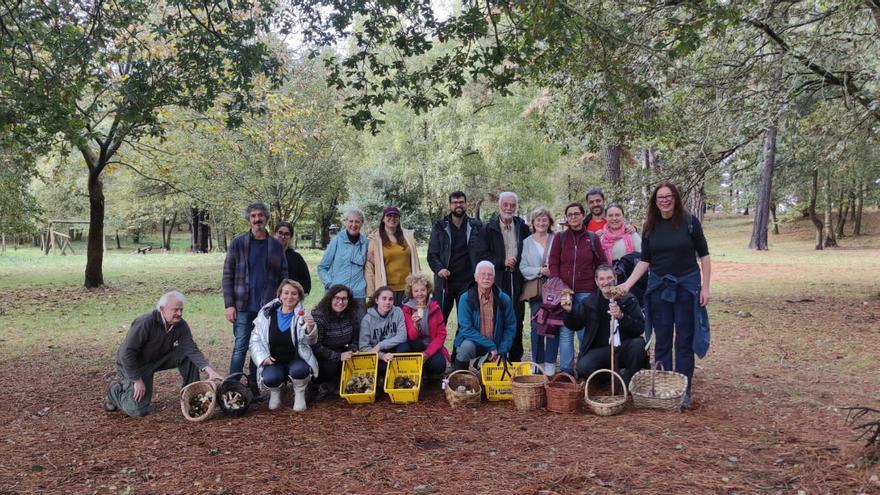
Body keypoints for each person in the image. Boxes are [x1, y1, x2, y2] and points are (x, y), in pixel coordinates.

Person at [619, 182, 711, 408]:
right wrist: (627, 284)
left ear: (676, 198)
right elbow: (645, 261)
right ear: (655, 201)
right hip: (659, 290)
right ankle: (662, 387)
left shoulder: (690, 223)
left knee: (684, 341)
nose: (665, 200)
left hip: (687, 289)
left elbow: (705, 256)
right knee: (661, 341)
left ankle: (683, 389)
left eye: (669, 196)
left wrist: (706, 287)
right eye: (660, 197)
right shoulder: (650, 227)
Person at [104, 291, 224, 417]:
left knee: (187, 355)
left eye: (181, 309)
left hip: (157, 359)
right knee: (137, 410)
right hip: (134, 365)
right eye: (175, 310)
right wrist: (137, 380)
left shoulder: (180, 325)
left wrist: (209, 370)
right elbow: (126, 353)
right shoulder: (145, 322)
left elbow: (191, 349)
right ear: (162, 309)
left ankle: (192, 394)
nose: (179, 314)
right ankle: (114, 391)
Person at [223, 202, 289, 398]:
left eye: (261, 215)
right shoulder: (238, 243)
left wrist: (281, 301)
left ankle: (252, 384)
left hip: (266, 308)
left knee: (258, 346)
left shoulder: (275, 245)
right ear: (249, 219)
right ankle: (231, 387)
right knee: (240, 347)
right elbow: (228, 274)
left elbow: (284, 274)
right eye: (253, 216)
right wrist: (229, 304)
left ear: (267, 219)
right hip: (243, 305)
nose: (257, 219)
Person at [547, 201, 608, 376]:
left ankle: (585, 368)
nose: (573, 217)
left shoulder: (592, 237)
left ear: (582, 215)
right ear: (566, 218)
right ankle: (566, 371)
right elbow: (553, 263)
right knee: (566, 332)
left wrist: (600, 285)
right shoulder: (560, 238)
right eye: (570, 214)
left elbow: (601, 263)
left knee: (584, 332)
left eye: (576, 214)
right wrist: (559, 286)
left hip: (586, 291)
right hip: (565, 291)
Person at [560, 265, 646, 386]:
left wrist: (621, 316)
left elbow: (639, 328)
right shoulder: (590, 302)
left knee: (638, 344)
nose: (606, 282)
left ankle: (626, 382)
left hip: (624, 347)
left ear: (615, 278)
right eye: (602, 279)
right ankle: (612, 378)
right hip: (600, 350)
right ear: (596, 281)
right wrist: (569, 312)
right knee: (583, 367)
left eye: (609, 278)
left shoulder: (628, 299)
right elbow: (576, 325)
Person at [476, 192, 530, 362]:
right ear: (499, 206)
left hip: (518, 279)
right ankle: (495, 359)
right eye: (505, 204)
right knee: (496, 319)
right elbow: (481, 255)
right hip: (497, 278)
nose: (509, 208)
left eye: (512, 205)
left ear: (516, 207)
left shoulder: (522, 227)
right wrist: (502, 262)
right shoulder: (487, 228)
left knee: (517, 318)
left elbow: (529, 251)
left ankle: (514, 360)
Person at [250, 280, 318, 412]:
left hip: (296, 358)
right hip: (274, 360)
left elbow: (312, 341)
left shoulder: (303, 315)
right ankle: (276, 392)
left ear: (299, 297)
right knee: (271, 378)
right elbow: (255, 340)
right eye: (286, 293)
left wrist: (310, 329)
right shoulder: (265, 314)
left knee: (300, 371)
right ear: (280, 295)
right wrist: (263, 357)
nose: (289, 297)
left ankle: (299, 393)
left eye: (294, 294)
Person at [427, 191, 483, 323]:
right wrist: (440, 269)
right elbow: (432, 254)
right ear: (449, 205)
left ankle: (460, 344)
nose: (458, 205)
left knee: (466, 321)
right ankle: (437, 344)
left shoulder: (476, 226)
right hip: (445, 282)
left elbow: (483, 252)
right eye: (455, 202)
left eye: (461, 202)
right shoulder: (440, 227)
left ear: (465, 204)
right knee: (438, 320)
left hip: (468, 282)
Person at [452, 261, 516, 371]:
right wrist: (491, 346)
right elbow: (466, 329)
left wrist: (502, 349)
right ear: (476, 278)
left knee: (487, 382)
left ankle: (483, 363)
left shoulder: (504, 299)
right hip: (474, 342)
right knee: (464, 350)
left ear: (494, 278)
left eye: (490, 275)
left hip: (495, 343)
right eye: (483, 274)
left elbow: (510, 327)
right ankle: (461, 377)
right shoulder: (466, 298)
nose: (486, 278)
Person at [519, 207, 558, 375]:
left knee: (553, 325)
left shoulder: (556, 239)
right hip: (536, 291)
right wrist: (540, 271)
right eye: (538, 220)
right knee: (536, 326)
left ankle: (550, 363)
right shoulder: (526, 242)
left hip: (555, 290)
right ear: (533, 222)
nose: (541, 223)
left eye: (544, 220)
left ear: (549, 222)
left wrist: (553, 271)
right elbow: (523, 267)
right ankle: (537, 361)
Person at [310, 284, 360, 399]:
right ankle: (316, 384)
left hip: (341, 349)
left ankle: (334, 384)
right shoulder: (319, 316)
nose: (340, 302)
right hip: (321, 355)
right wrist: (338, 356)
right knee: (330, 367)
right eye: (337, 298)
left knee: (354, 362)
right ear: (330, 299)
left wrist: (352, 349)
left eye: (344, 298)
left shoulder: (350, 314)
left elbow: (355, 337)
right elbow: (315, 346)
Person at [318, 208, 368, 320]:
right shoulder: (336, 240)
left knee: (360, 330)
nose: (353, 225)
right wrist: (330, 284)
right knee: (334, 328)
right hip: (337, 294)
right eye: (351, 221)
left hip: (358, 295)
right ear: (346, 222)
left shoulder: (366, 243)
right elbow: (322, 267)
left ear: (362, 224)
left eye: (357, 221)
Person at [365, 206, 420, 304]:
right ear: (383, 219)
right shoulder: (375, 239)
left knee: (406, 318)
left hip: (407, 289)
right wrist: (372, 293)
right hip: (386, 289)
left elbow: (416, 263)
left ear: (399, 219)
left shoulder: (408, 237)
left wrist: (419, 285)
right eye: (389, 215)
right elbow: (370, 269)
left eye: (395, 216)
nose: (392, 218)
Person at [400, 272, 450, 378]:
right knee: (414, 344)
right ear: (411, 292)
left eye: (422, 290)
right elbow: (411, 336)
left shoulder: (435, 308)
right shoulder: (407, 309)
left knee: (440, 365)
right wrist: (415, 325)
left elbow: (441, 335)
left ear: (427, 290)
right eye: (416, 291)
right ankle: (418, 370)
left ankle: (427, 370)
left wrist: (427, 354)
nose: (420, 293)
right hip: (415, 345)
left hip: (430, 345)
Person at [600, 204, 645, 304]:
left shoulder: (632, 234)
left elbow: (643, 258)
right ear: (606, 218)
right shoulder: (601, 238)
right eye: (610, 215)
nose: (614, 218)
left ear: (623, 217)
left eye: (617, 215)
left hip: (633, 283)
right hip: (611, 284)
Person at [359, 286, 408, 374]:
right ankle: (384, 375)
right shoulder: (367, 320)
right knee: (382, 366)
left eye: (390, 299)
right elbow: (363, 347)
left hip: (393, 348)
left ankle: (398, 373)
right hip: (377, 353)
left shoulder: (398, 312)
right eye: (384, 299)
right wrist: (382, 356)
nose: (387, 302)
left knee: (404, 347)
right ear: (377, 300)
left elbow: (402, 336)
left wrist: (381, 345)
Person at [274, 221, 312, 295]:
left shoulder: (296, 258)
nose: (283, 236)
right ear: (275, 234)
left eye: (286, 234)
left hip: (290, 300)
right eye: (280, 233)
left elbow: (306, 284)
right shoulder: (267, 255)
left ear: (291, 237)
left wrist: (297, 297)